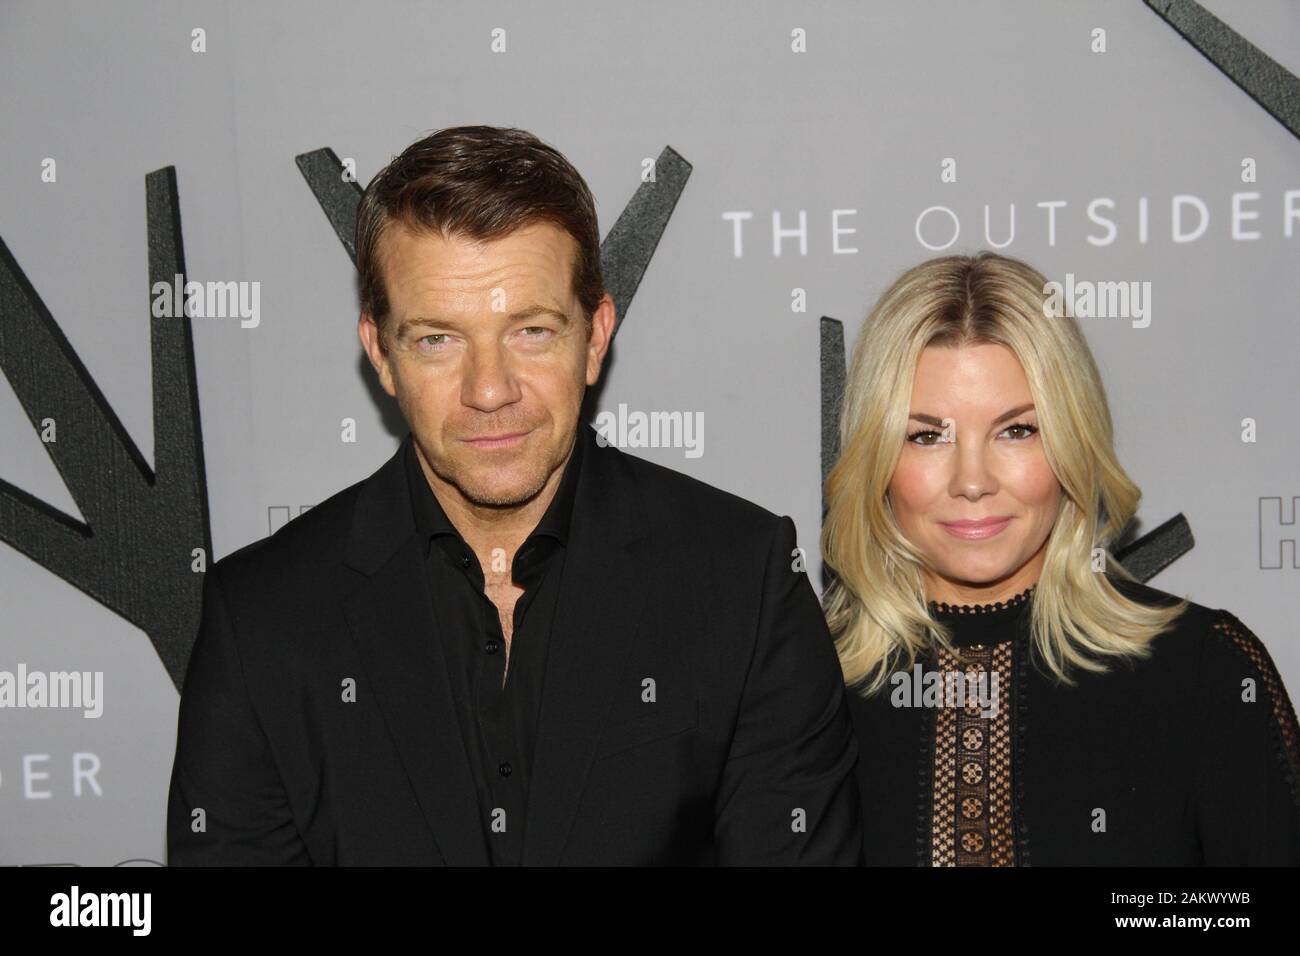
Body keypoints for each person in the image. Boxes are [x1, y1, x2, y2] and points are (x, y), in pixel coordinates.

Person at [167, 125, 862, 866]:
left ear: (595, 337)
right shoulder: (262, 617)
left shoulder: (740, 579)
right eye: (438, 339)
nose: (490, 391)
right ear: (380, 354)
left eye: (530, 331)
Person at [822, 251, 1300, 865]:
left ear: (1073, 440)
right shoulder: (802, 686)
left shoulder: (1203, 667)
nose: (973, 480)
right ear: (877, 460)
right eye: (926, 435)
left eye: (1016, 430)